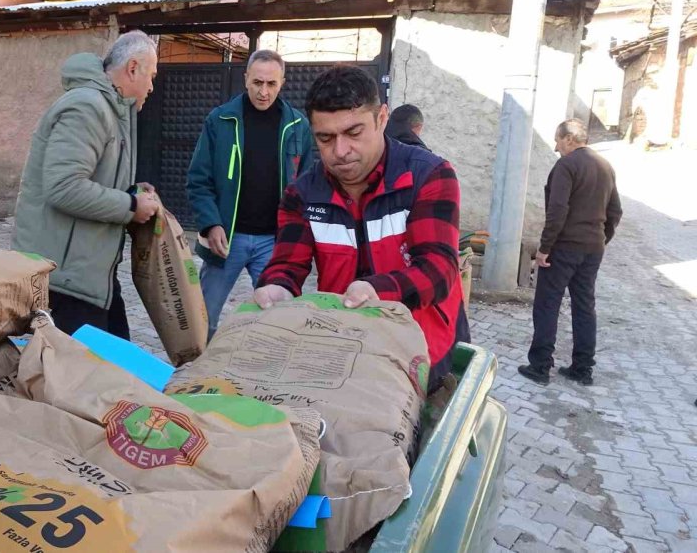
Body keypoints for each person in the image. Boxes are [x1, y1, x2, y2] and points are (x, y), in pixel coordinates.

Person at [253, 65, 468, 389]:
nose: (340, 152)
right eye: (325, 138)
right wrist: (276, 287)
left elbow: (439, 271)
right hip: (346, 350)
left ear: (382, 119)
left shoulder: (428, 176)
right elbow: (287, 264)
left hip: (425, 351)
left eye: (354, 133)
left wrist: (376, 291)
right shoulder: (302, 194)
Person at [12, 31, 160, 340]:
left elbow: (94, 178)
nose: (151, 87)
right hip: (63, 280)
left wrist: (131, 192)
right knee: (80, 380)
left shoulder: (112, 110)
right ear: (133, 68)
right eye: (151, 76)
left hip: (90, 275)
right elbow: (64, 187)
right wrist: (131, 207)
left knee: (114, 368)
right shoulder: (89, 107)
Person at [186, 49, 315, 339]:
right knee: (203, 319)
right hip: (227, 240)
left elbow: (306, 187)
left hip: (274, 242)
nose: (264, 91)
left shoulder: (298, 127)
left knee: (278, 321)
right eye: (258, 82)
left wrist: (297, 236)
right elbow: (198, 180)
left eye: (271, 84)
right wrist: (211, 223)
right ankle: (194, 374)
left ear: (282, 82)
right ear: (245, 79)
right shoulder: (220, 120)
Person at [518, 119, 622, 386]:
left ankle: (540, 366)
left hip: (564, 248)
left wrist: (544, 248)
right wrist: (601, 239)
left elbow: (557, 211)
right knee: (584, 306)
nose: (555, 146)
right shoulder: (605, 166)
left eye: (557, 140)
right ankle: (583, 367)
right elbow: (615, 212)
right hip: (592, 248)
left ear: (569, 139)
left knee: (547, 304)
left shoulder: (567, 165)